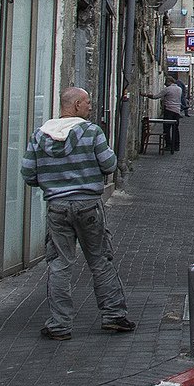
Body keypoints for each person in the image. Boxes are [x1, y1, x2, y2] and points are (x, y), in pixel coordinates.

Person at [20, 85, 135, 340]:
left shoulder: (40, 135)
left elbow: (28, 173)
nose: (91, 107)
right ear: (75, 106)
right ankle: (113, 315)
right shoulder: (92, 132)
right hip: (88, 205)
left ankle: (59, 325)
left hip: (57, 207)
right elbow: (109, 164)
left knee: (60, 264)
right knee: (99, 260)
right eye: (87, 103)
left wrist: (53, 183)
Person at [144, 74, 187, 153]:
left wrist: (146, 95)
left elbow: (156, 96)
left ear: (169, 82)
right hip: (177, 110)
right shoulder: (179, 89)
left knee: (166, 128)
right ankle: (176, 145)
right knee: (176, 129)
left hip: (169, 110)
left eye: (165, 82)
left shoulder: (167, 89)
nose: (164, 84)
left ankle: (168, 145)